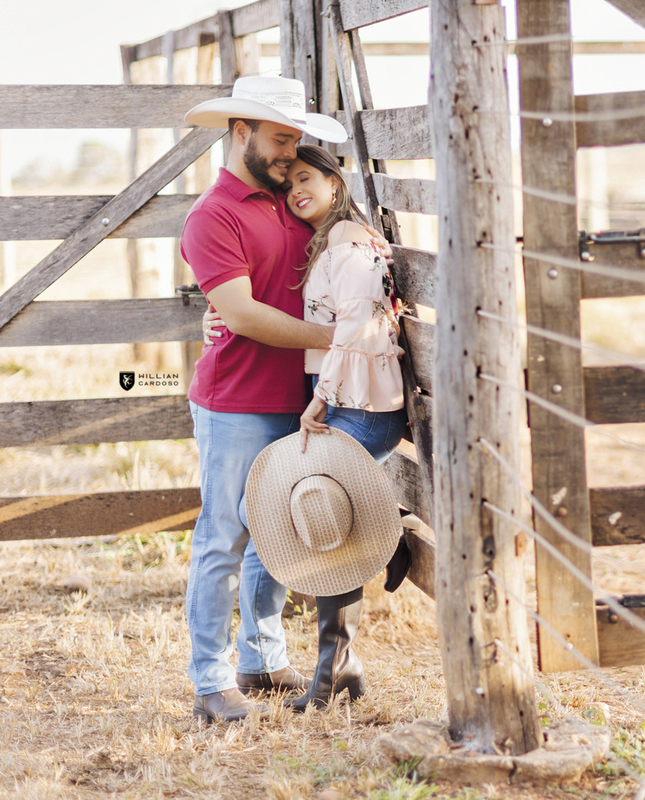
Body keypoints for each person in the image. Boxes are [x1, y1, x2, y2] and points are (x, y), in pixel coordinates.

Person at [209, 145, 413, 711]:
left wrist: (321, 398)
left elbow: (355, 326)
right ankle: (298, 662)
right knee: (283, 512)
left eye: (307, 178)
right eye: (289, 183)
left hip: (361, 404)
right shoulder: (327, 240)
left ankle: (336, 668)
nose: (297, 190)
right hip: (347, 398)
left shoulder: (348, 243)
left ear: (333, 180)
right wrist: (219, 311)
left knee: (316, 510)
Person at [180, 75, 356, 723]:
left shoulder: (295, 199)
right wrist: (339, 339)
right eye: (281, 139)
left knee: (276, 534)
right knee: (223, 535)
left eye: (297, 140)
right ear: (241, 132)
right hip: (237, 399)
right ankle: (210, 682)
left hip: (298, 396)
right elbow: (246, 316)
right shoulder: (212, 215)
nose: (291, 152)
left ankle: (259, 658)